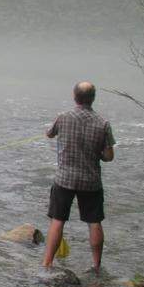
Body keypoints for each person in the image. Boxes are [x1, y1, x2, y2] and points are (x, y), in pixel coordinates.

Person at [43, 81, 115, 274]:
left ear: (75, 97)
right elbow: (109, 156)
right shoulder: (103, 123)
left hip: (64, 179)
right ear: (93, 98)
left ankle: (47, 264)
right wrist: (97, 153)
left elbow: (49, 134)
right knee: (94, 221)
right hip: (91, 181)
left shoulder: (63, 117)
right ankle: (96, 265)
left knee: (58, 220)